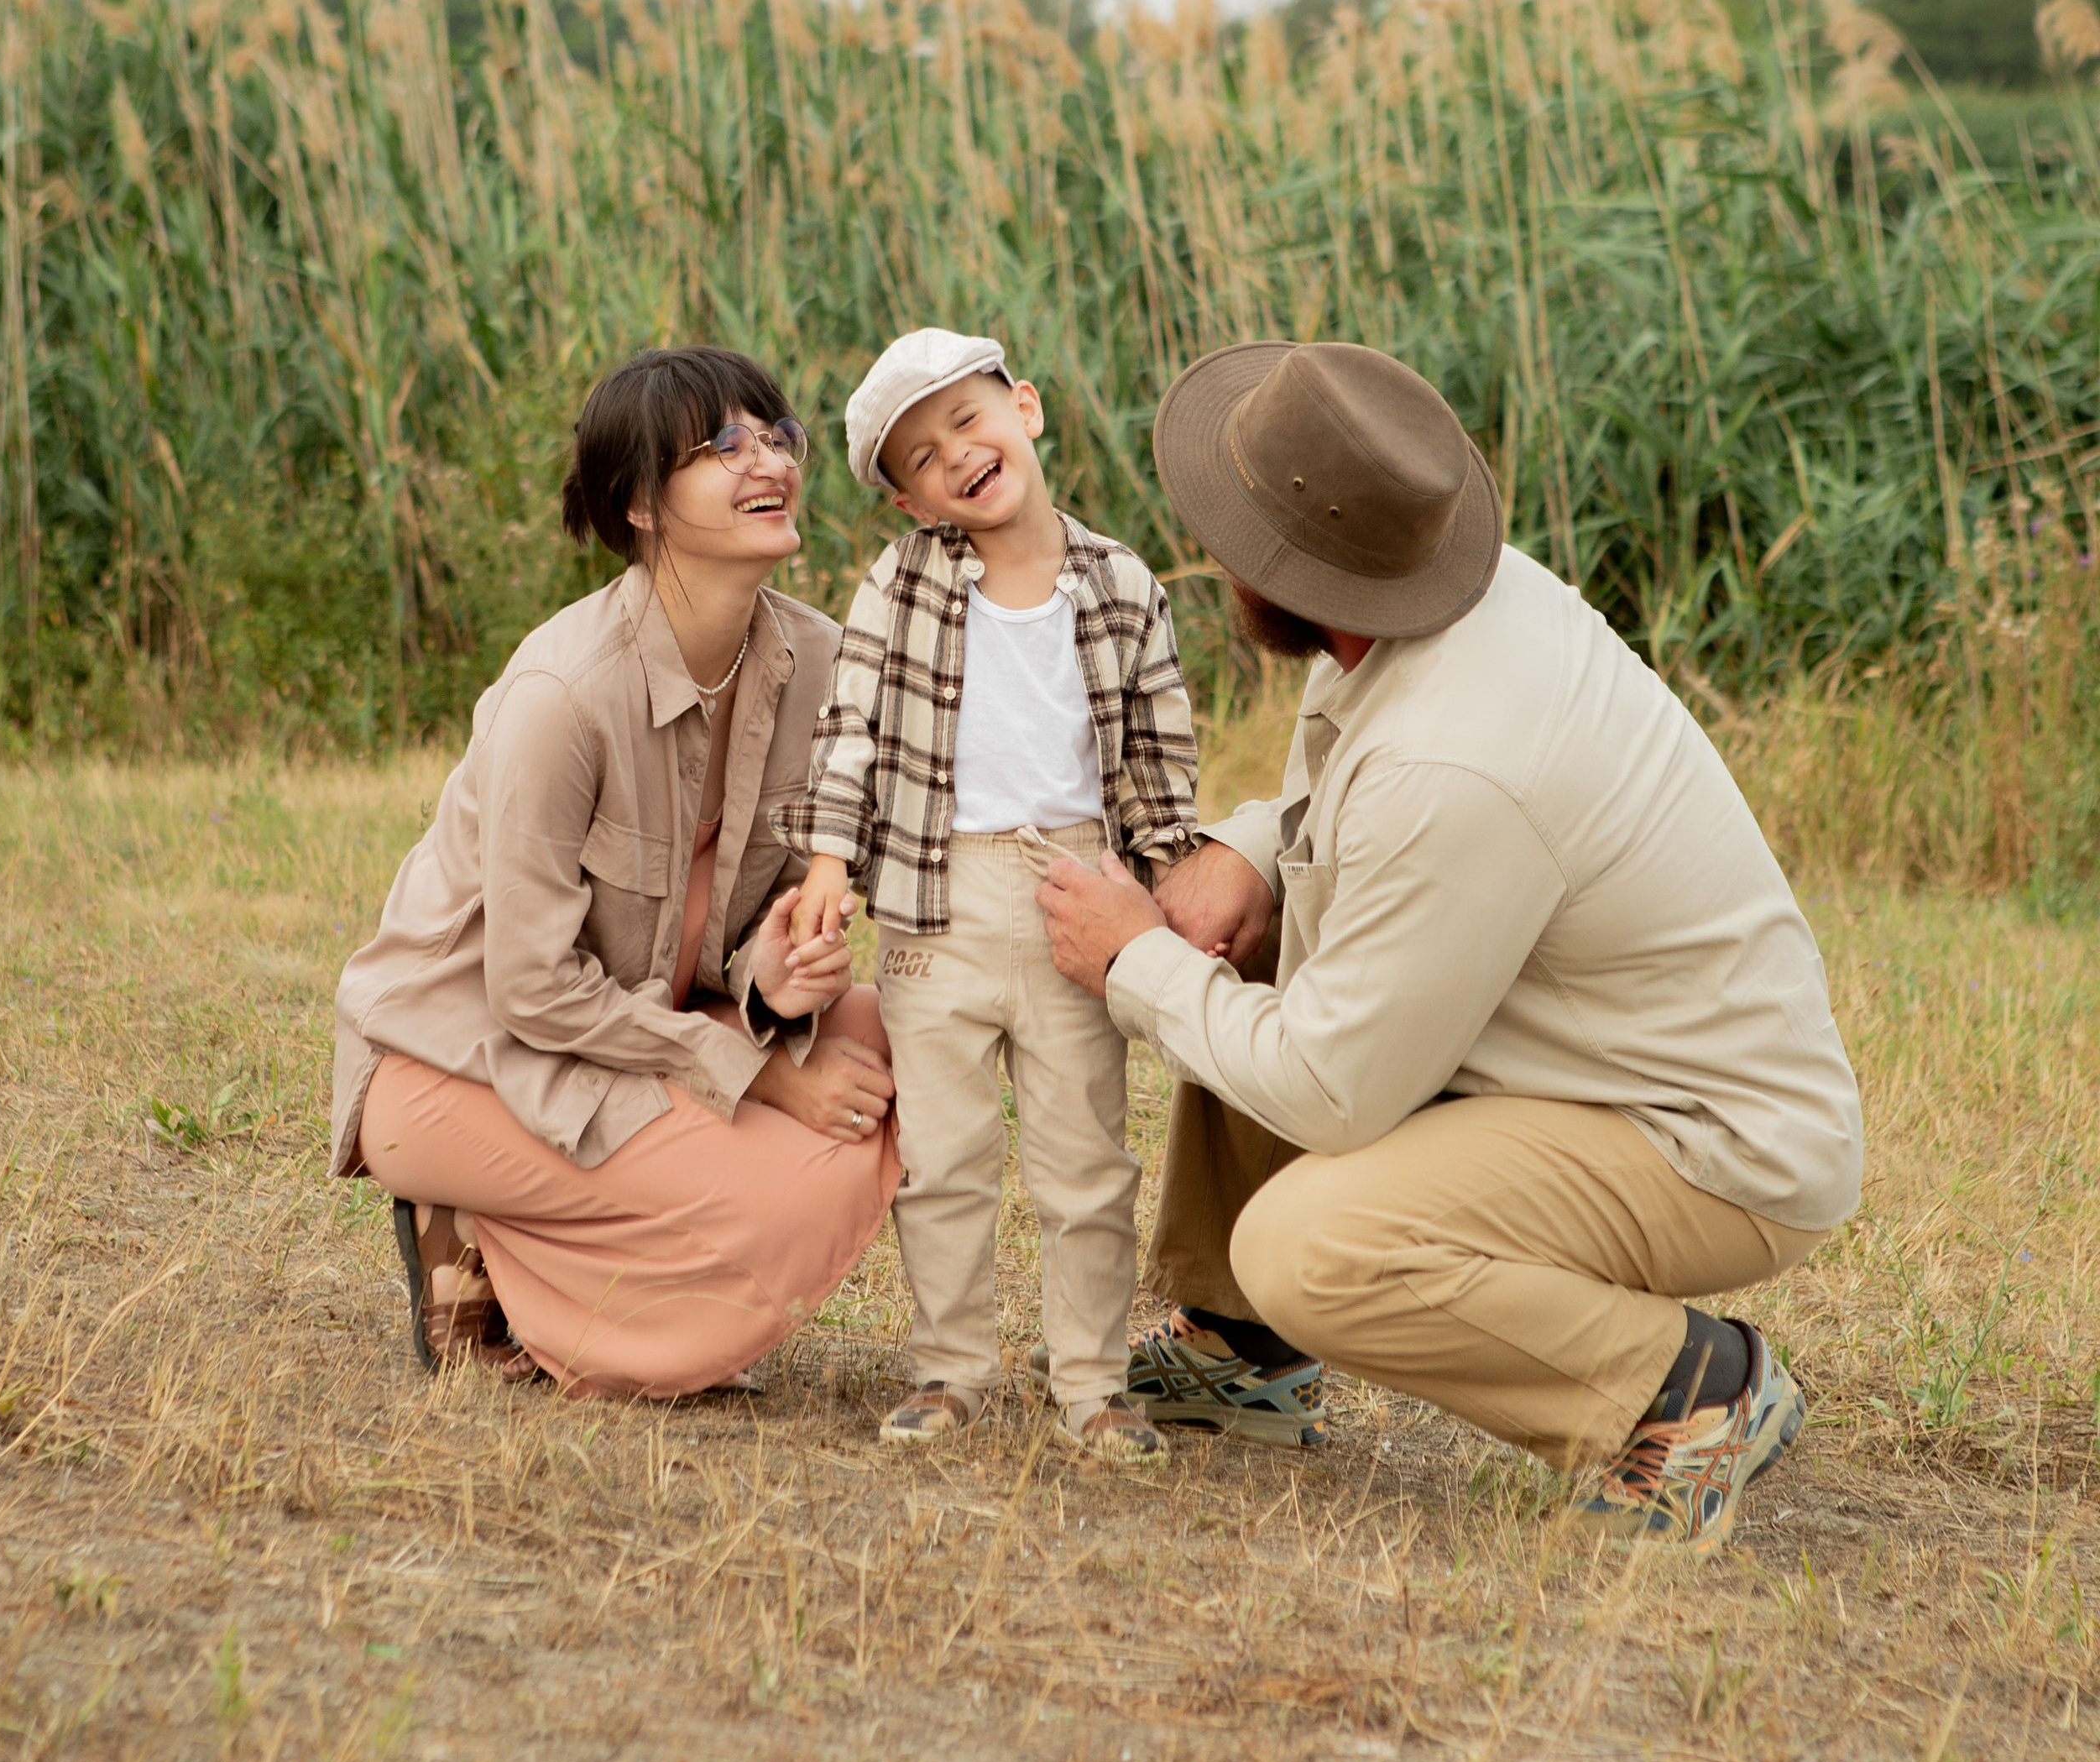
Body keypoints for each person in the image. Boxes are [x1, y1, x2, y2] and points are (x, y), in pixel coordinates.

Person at [1035, 339, 1865, 1553]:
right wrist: (1250, 853)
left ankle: (1692, 1390)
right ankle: (1245, 1351)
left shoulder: (1460, 759)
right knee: (1254, 936)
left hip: (1706, 1141)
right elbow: (1364, 827)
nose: (1214, 556)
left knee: (1312, 1247)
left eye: (1232, 534)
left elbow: (1334, 1086)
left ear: (1290, 570)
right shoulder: (1428, 605)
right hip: (1575, 1056)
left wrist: (1132, 959)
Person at [329, 343, 901, 1396]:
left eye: (778, 436)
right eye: (723, 446)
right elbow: (533, 988)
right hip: (463, 1060)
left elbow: (734, 929)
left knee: (898, 1036)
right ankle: (477, 1239)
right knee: (759, 1191)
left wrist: (770, 984)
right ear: (640, 501)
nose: (766, 461)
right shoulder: (562, 694)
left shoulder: (819, 662)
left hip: (645, 1023)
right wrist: (767, 1076)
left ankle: (549, 1255)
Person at [782, 329, 1201, 1463]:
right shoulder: (903, 586)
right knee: (947, 1160)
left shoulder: (1121, 584)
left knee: (1085, 1163)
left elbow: (1159, 759)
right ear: (911, 504)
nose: (956, 455)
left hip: (1076, 895)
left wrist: (1171, 884)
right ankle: (949, 1369)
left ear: (1026, 406)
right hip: (934, 900)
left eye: (968, 421)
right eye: (922, 457)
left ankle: (1092, 1384)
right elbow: (851, 729)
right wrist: (830, 862)